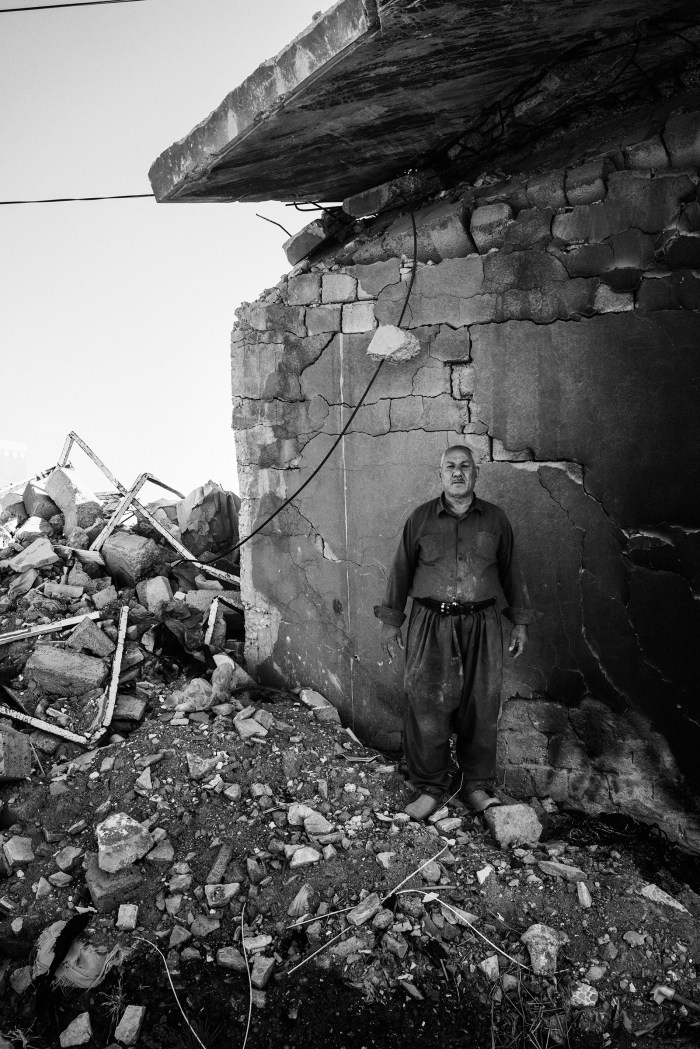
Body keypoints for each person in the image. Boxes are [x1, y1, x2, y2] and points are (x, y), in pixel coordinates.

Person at [374, 445, 538, 821]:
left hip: (482, 623)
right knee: (426, 703)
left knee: (481, 704)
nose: (458, 473)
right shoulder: (420, 519)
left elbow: (513, 572)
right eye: (451, 467)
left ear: (476, 474)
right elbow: (399, 571)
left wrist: (522, 623)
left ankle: (475, 786)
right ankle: (430, 787)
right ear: (441, 474)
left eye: (465, 466)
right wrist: (390, 622)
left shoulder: (496, 520)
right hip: (431, 622)